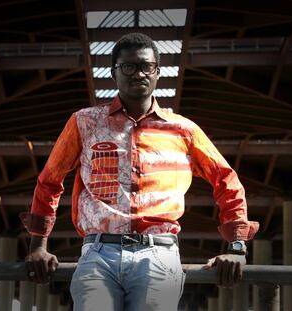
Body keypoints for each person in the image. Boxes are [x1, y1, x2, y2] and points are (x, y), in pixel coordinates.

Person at [20, 32, 259, 311]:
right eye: (128, 67)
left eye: (147, 66)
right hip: (98, 253)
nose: (139, 74)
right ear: (114, 73)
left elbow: (226, 180)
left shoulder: (184, 130)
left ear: (157, 72)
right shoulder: (84, 123)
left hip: (159, 253)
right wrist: (38, 246)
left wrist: (236, 248)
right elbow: (49, 180)